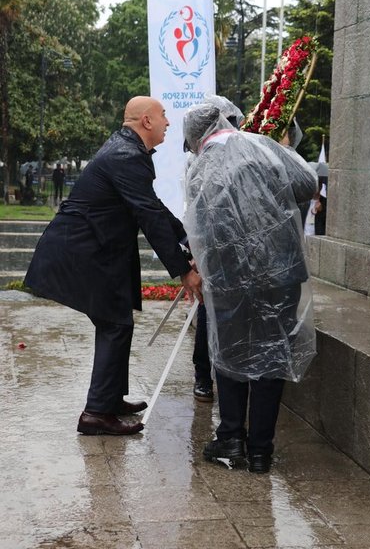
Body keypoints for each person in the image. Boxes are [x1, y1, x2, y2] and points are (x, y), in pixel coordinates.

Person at [25, 96, 203, 436]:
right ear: (146, 122)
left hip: (95, 249)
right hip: (82, 251)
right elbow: (148, 216)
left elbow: (154, 207)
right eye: (163, 115)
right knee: (114, 324)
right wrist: (184, 269)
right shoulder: (125, 155)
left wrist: (188, 241)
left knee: (117, 322)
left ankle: (109, 400)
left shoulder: (129, 151)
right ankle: (95, 414)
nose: (168, 122)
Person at [183, 104, 318, 473]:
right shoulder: (264, 146)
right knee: (272, 355)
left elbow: (200, 227)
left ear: (196, 137)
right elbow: (307, 183)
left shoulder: (201, 166)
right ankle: (261, 451)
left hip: (231, 280)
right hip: (283, 273)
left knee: (231, 354)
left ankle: (231, 439)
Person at [186, 94, 245, 403]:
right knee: (209, 315)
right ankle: (202, 375)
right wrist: (197, 252)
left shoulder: (244, 153)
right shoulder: (198, 159)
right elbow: (197, 210)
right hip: (214, 252)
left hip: (243, 256)